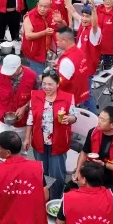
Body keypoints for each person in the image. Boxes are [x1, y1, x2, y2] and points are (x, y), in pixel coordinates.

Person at [25, 70, 75, 200]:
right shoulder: (35, 95)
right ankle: (44, 196)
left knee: (57, 173)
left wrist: (69, 119)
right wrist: (27, 138)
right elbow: (30, 118)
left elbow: (74, 116)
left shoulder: (68, 98)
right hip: (39, 140)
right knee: (42, 171)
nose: (46, 87)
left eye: (50, 84)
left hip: (58, 141)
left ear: (58, 84)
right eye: (44, 84)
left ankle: (56, 200)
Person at [74, 106, 113, 186]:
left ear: (112, 124)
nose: (99, 122)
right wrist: (78, 171)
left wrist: (104, 164)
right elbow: (84, 152)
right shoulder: (93, 132)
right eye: (99, 117)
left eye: (103, 120)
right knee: (70, 187)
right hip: (92, 171)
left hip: (111, 177)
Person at [55, 26, 95, 113]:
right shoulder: (80, 52)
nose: (56, 42)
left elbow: (62, 83)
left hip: (70, 99)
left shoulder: (67, 60)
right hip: (81, 94)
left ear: (65, 40)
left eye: (58, 40)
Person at [21, 0, 55, 75]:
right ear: (37, 4)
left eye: (45, 7)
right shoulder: (29, 17)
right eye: (40, 6)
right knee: (38, 76)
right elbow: (28, 36)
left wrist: (60, 21)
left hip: (47, 51)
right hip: (35, 53)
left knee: (45, 72)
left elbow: (60, 27)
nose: (42, 9)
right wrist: (44, 32)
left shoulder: (51, 13)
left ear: (50, 6)